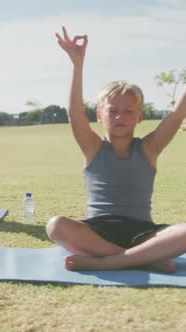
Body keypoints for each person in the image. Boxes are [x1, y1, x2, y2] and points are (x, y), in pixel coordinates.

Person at [46, 27, 186, 272]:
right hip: (97, 231)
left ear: (140, 117)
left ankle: (113, 262)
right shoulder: (93, 147)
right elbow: (75, 114)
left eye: (128, 111)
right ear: (100, 116)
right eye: (113, 111)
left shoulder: (149, 148)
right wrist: (77, 64)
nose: (120, 116)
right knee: (56, 225)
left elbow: (175, 117)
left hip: (143, 233)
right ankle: (144, 260)